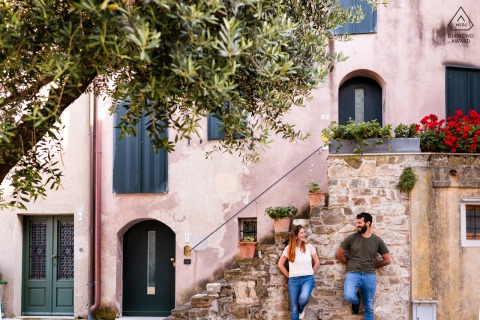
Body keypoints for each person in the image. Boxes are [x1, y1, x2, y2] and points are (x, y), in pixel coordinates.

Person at [335, 212, 391, 320]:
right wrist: (350, 263)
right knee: (349, 296)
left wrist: (374, 265)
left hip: (369, 275)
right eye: (357, 223)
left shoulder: (377, 241)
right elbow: (338, 254)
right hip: (353, 273)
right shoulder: (351, 238)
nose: (357, 225)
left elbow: (387, 260)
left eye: (360, 223)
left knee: (369, 307)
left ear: (368, 223)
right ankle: (356, 300)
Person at [278, 225, 320, 320]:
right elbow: (280, 264)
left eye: (304, 232)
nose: (304, 234)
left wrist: (311, 273)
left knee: (304, 298)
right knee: (293, 307)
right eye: (302, 232)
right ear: (296, 236)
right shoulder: (289, 248)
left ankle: (301, 310)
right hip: (293, 280)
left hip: (307, 279)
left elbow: (317, 262)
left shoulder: (309, 247)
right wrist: (289, 276)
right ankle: (298, 311)